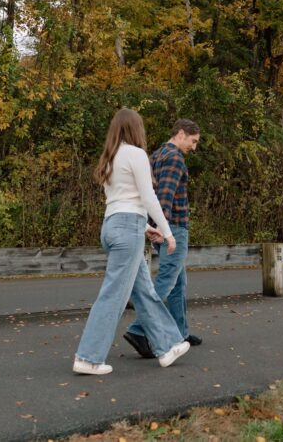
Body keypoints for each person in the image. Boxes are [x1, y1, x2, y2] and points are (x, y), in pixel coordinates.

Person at [72, 108, 191, 375]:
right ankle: (88, 357)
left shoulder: (110, 158)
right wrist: (167, 233)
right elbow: (148, 197)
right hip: (127, 229)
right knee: (113, 295)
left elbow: (120, 202)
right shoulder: (136, 155)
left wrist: (146, 227)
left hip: (115, 225)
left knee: (144, 291)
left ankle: (168, 345)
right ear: (135, 129)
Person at [123, 119, 201, 359]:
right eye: (193, 141)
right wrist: (163, 230)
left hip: (166, 227)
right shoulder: (174, 158)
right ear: (180, 134)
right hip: (174, 228)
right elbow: (164, 196)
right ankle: (139, 329)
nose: (194, 147)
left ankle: (180, 333)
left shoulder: (156, 155)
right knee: (167, 280)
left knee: (178, 283)